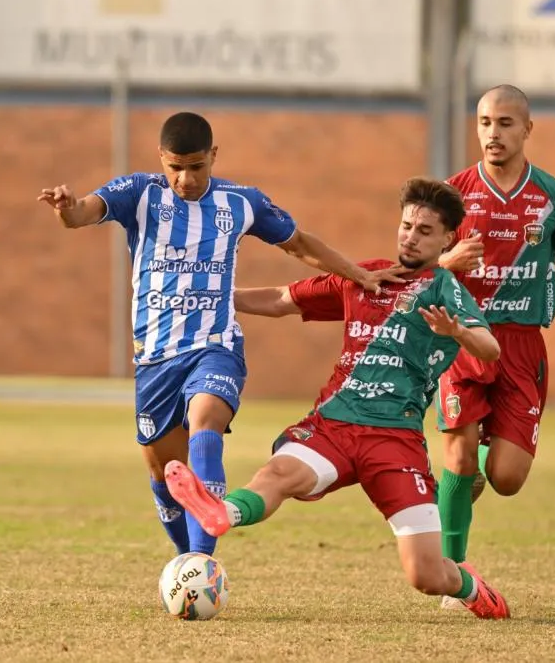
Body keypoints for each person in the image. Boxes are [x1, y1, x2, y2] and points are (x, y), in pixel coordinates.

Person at [37, 112, 404, 559]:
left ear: (213, 156)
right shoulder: (139, 193)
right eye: (175, 167)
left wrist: (358, 276)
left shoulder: (241, 202)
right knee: (166, 472)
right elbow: (82, 214)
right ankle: (186, 559)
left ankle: (203, 561)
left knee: (205, 419)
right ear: (161, 159)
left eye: (196, 166)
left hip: (215, 344)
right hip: (155, 357)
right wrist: (66, 208)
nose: (185, 178)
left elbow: (301, 245)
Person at [164, 176, 510, 620]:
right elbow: (280, 298)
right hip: (334, 425)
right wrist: (209, 299)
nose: (411, 236)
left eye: (425, 231)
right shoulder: (363, 277)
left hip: (394, 440)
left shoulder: (445, 289)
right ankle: (222, 512)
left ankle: (470, 587)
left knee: (426, 575)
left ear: (447, 238)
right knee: (280, 473)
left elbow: (490, 348)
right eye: (406, 225)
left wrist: (456, 331)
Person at [436, 85, 555, 607]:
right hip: (462, 334)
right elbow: (414, 268)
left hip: (521, 344)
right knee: (459, 455)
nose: (494, 133)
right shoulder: (451, 194)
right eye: (485, 122)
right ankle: (454, 572)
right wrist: (447, 264)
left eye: (506, 123)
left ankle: (475, 470)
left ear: (527, 130)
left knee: (506, 478)